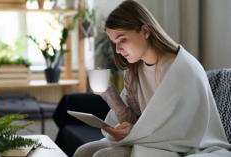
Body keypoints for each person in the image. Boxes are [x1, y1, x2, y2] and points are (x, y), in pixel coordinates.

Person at [73, 0, 231, 157]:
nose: (118, 49)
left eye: (122, 40)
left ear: (145, 31)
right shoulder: (134, 70)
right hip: (146, 140)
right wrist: (109, 93)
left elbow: (180, 131)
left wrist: (134, 132)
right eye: (114, 43)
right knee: (82, 151)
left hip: (177, 145)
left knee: (102, 156)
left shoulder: (180, 69)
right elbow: (136, 121)